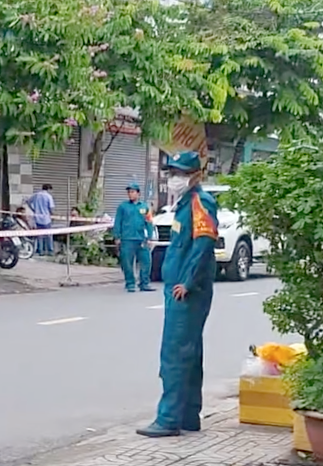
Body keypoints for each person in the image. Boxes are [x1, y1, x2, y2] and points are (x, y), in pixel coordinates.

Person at [136, 150, 219, 438]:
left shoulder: (200, 202)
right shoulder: (185, 204)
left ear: (196, 176)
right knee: (190, 354)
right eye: (172, 173)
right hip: (181, 289)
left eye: (181, 173)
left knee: (174, 354)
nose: (175, 179)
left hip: (186, 292)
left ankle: (169, 418)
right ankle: (188, 416)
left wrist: (187, 282)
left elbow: (204, 245)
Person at [113, 182, 155, 293]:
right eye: (129, 192)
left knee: (146, 261)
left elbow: (149, 222)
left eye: (132, 192)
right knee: (127, 262)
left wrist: (150, 237)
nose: (130, 194)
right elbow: (118, 222)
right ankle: (130, 283)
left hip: (141, 239)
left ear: (138, 193)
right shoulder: (123, 207)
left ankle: (144, 283)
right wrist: (117, 236)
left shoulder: (144, 207)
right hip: (127, 239)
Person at [26, 184, 55, 256]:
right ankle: (50, 250)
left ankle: (40, 250)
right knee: (49, 235)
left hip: (37, 218)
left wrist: (33, 210)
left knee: (39, 235)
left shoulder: (36, 195)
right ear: (48, 189)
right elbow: (51, 208)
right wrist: (53, 215)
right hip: (46, 219)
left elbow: (28, 202)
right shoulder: (48, 196)